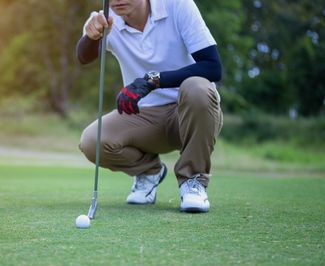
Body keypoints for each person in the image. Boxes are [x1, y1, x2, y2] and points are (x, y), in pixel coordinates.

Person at [76, 0, 223, 213]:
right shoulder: (105, 19)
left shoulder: (178, 5)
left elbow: (213, 67)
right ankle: (149, 172)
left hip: (191, 112)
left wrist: (153, 80)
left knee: (197, 88)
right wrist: (90, 36)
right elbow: (83, 57)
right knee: (91, 141)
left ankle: (193, 181)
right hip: (145, 118)